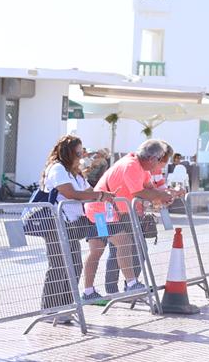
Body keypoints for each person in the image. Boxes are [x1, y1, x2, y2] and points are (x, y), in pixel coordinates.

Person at [34, 134, 106, 324]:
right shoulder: (58, 169)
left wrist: (103, 194)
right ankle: (50, 309)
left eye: (82, 152)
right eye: (78, 152)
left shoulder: (75, 172)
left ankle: (65, 306)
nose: (81, 156)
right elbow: (70, 193)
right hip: (56, 223)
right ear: (68, 153)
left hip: (71, 223)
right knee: (59, 265)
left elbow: (87, 191)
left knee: (74, 264)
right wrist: (97, 196)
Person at [97, 138, 178, 300]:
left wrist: (163, 196)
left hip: (117, 212)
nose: (158, 165)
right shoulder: (131, 165)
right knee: (110, 250)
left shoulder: (141, 167)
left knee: (132, 248)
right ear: (151, 158)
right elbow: (139, 193)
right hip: (100, 213)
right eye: (159, 160)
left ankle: (128, 286)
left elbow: (150, 189)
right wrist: (161, 196)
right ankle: (114, 290)